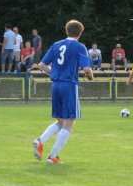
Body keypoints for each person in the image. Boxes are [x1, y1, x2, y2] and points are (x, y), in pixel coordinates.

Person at [32, 20, 93, 164]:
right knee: (69, 122)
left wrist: (54, 75)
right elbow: (87, 69)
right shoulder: (80, 47)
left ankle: (40, 141)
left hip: (56, 85)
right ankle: (52, 156)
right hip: (69, 85)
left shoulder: (57, 44)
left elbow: (41, 64)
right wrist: (90, 77)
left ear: (67, 31)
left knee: (60, 120)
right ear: (80, 32)